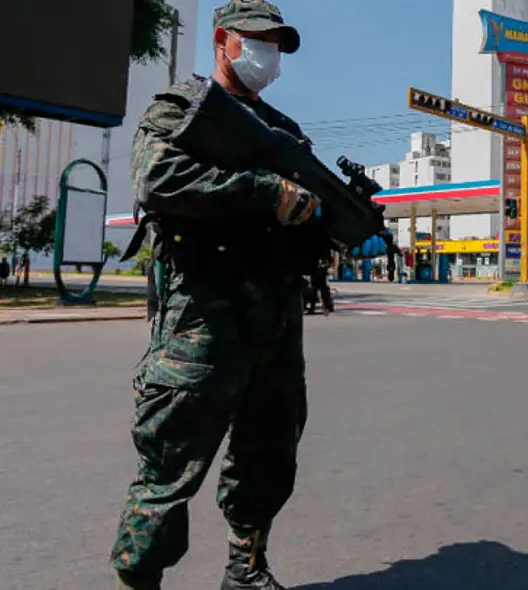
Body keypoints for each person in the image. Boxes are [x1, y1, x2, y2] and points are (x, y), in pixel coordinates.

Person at [109, 2, 387, 589]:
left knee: (269, 454)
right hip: (200, 319)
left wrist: (337, 220)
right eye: (259, 39)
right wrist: (263, 192)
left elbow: (312, 219)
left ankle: (247, 568)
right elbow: (157, 180)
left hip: (276, 320)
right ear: (223, 40)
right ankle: (139, 581)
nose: (269, 54)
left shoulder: (287, 134)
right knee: (169, 463)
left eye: (277, 44)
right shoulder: (183, 109)